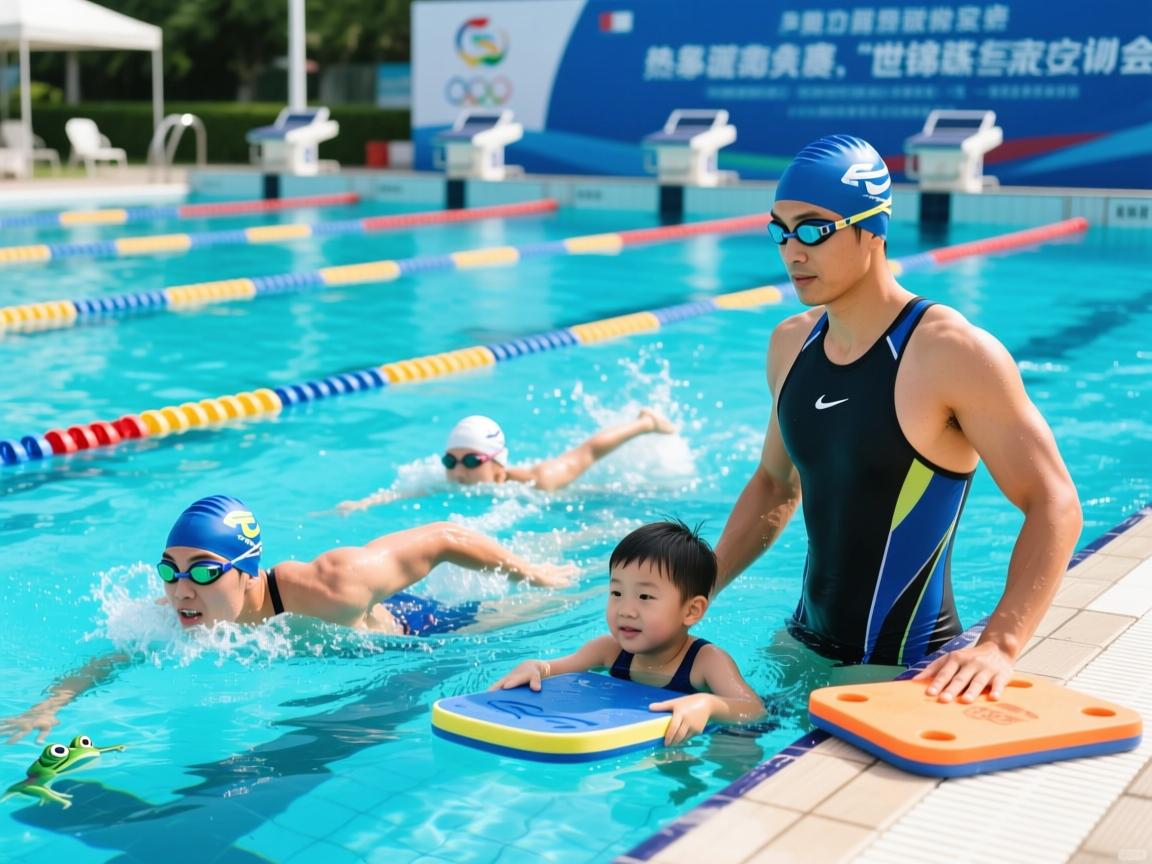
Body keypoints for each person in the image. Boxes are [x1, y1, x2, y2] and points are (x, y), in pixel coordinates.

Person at [712, 134, 1082, 704]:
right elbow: (774, 485)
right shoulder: (791, 344)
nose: (793, 251)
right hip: (797, 644)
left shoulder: (951, 352)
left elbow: (1054, 501)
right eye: (780, 230)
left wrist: (1000, 644)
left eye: (813, 228)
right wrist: (695, 592)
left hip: (903, 668)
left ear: (872, 229)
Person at [3, 494, 577, 743]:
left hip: (425, 630)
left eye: (203, 572)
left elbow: (445, 538)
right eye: (169, 570)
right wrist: (51, 703)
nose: (182, 590)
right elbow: (115, 654)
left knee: (555, 601)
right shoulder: (179, 606)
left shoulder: (330, 583)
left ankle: (563, 552)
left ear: (248, 574)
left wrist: (534, 575)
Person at [491, 520, 765, 745]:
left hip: (713, 732)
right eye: (617, 593)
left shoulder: (706, 661)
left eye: (645, 596)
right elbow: (556, 668)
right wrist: (536, 668)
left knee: (735, 748)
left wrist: (707, 705)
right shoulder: (608, 650)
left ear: (691, 611)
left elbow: (753, 709)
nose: (626, 610)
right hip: (648, 736)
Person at [338, 408, 676, 512]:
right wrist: (364, 503)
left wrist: (645, 426)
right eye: (450, 461)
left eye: (471, 462)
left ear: (497, 465)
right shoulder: (445, 480)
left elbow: (589, 451)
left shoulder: (539, 480)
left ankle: (646, 421)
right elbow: (408, 491)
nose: (458, 471)